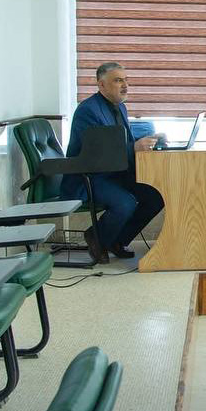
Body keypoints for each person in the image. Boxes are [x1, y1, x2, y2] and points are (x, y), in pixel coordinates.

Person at [60, 62, 165, 264]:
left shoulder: (120, 107)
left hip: (114, 172)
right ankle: (96, 237)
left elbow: (121, 141)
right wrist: (133, 148)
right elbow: (97, 152)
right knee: (125, 203)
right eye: (118, 81)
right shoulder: (87, 111)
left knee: (155, 197)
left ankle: (117, 241)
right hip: (90, 175)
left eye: (126, 80)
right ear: (101, 85)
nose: (125, 85)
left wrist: (151, 139)